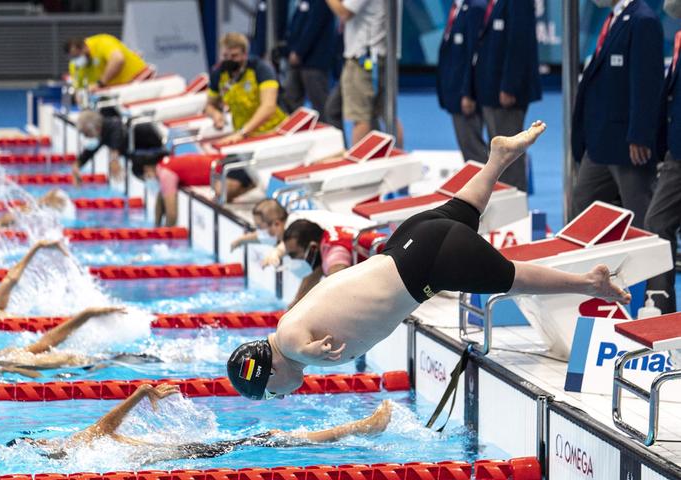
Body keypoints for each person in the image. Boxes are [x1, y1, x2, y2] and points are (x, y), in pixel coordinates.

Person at [226, 121, 632, 400]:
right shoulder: (289, 324)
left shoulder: (292, 342)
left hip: (421, 265)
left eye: (271, 391)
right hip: (409, 241)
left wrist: (310, 354)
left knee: (511, 280)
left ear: (271, 372)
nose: (279, 396)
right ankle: (498, 158)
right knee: (465, 209)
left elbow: (298, 346)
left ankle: (588, 283)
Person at [9, 383, 393, 460]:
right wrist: (141, 394)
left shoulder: (82, 456)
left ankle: (360, 429)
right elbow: (106, 426)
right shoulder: (78, 446)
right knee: (275, 436)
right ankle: (361, 428)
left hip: (186, 454)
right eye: (39, 443)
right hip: (190, 454)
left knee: (273, 438)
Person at [571, 0, 663, 229]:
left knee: (640, 216)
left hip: (628, 145)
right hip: (600, 141)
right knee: (582, 206)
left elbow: (647, 84)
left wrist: (640, 135)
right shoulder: (614, 18)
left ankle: (652, 266)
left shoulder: (643, 21)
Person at [0, 306, 159, 378]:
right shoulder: (12, 364)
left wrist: (87, 314)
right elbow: (43, 377)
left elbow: (50, 340)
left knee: (158, 358)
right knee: (159, 359)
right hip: (93, 367)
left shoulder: (11, 354)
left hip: (97, 361)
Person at [471, 0, 542, 191]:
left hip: (505, 94)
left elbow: (519, 41)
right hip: (492, 90)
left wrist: (510, 86)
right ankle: (504, 205)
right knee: (499, 154)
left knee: (509, 157)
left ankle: (515, 212)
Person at [644, 0, 681, 314]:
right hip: (676, 152)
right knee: (657, 222)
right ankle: (658, 306)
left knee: (657, 222)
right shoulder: (679, 36)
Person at [205, 32, 287, 145]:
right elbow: (209, 105)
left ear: (245, 54)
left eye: (234, 56)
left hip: (274, 132)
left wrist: (242, 132)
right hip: (243, 136)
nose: (229, 59)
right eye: (225, 56)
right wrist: (215, 114)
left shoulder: (261, 69)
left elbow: (269, 106)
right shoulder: (218, 74)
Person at [326, 0, 385, 145]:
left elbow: (344, 12)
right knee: (334, 109)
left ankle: (359, 165)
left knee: (361, 117)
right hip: (373, 57)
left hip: (363, 59)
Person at [437, 0, 487, 163]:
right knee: (468, 148)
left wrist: (468, 93)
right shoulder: (458, 7)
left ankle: (486, 188)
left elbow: (474, 55)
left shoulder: (476, 8)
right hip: (454, 90)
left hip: (464, 94)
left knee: (473, 149)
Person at [73, 110, 164, 185]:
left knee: (137, 170)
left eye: (87, 134)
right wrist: (77, 166)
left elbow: (116, 131)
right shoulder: (101, 131)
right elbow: (89, 152)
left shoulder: (112, 124)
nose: (86, 137)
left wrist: (114, 158)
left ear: (96, 128)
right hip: (141, 149)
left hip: (151, 143)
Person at [283, 0, 338, 116]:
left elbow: (314, 26)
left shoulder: (321, 3)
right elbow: (295, 27)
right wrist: (289, 50)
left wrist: (299, 52)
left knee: (321, 105)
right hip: (297, 60)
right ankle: (298, 131)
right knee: (290, 98)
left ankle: (327, 133)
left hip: (314, 61)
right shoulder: (302, 2)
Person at [65, 34, 150, 92]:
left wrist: (100, 83)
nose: (77, 59)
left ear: (85, 47)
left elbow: (118, 59)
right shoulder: (74, 65)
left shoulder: (102, 41)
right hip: (115, 91)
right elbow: (79, 91)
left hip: (139, 79)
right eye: (73, 57)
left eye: (78, 55)